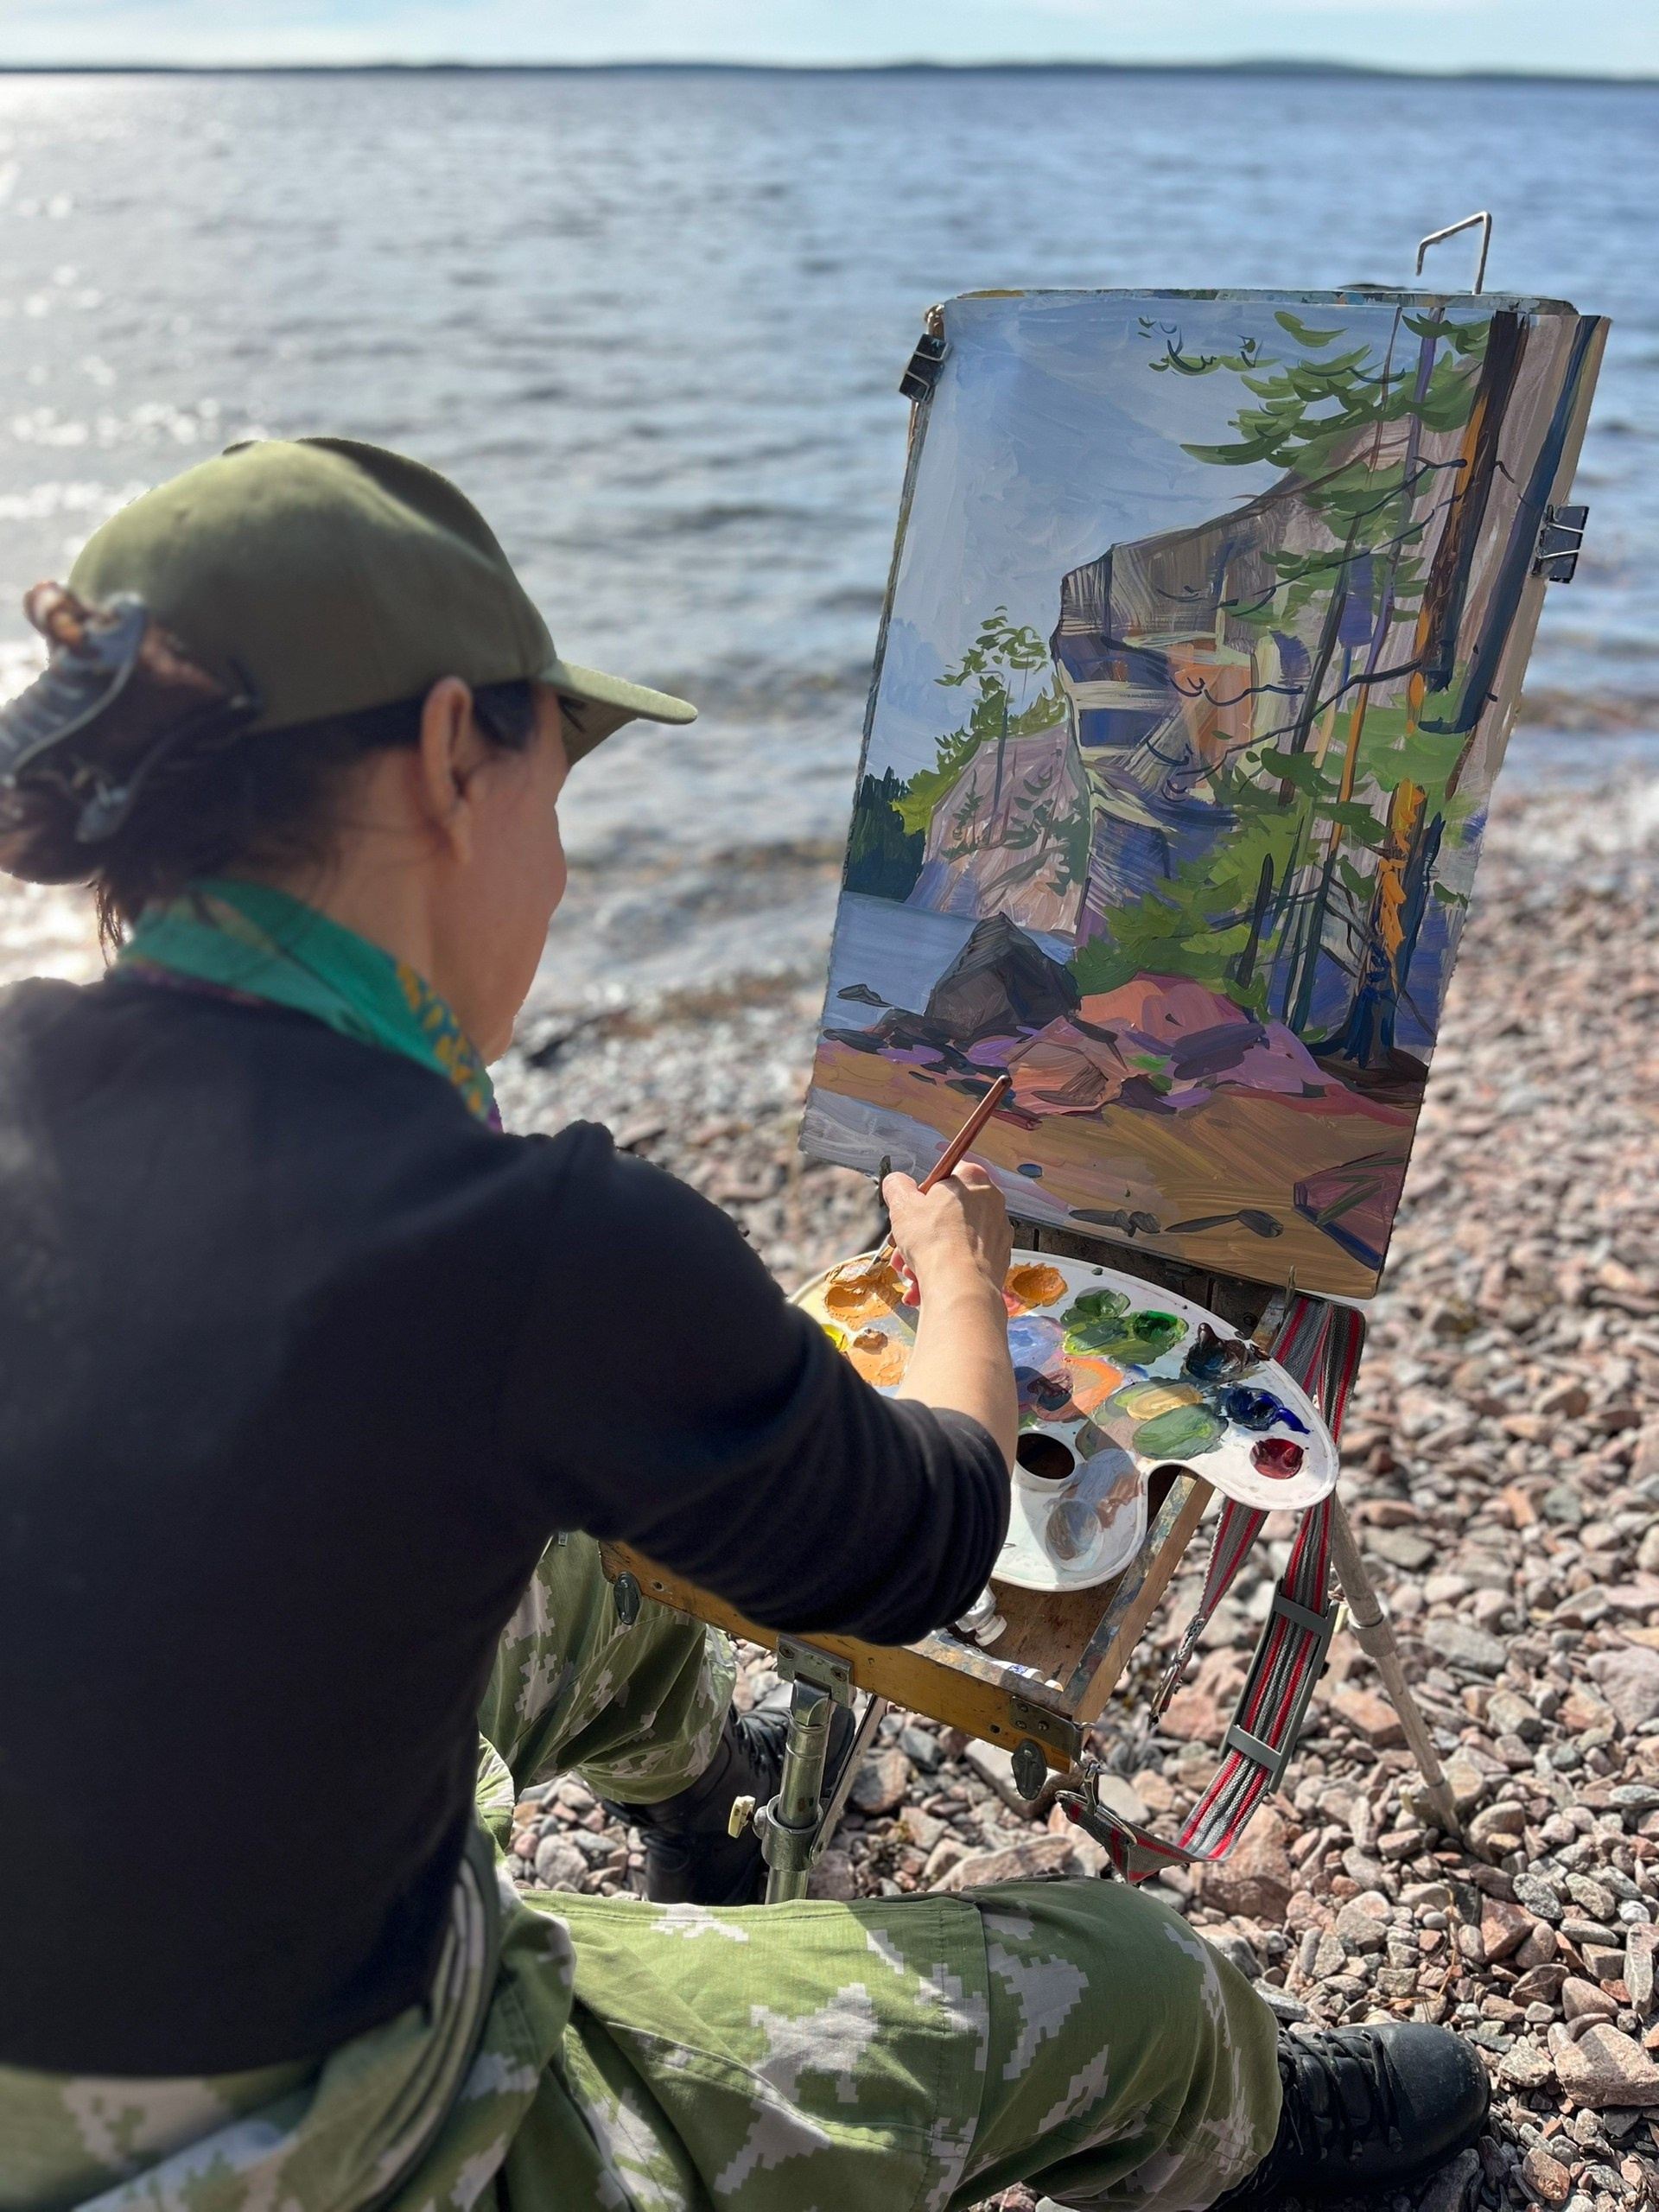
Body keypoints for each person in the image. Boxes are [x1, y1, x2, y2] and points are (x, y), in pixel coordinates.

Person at [0, 439, 1489, 2212]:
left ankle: (706, 1815)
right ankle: (1235, 2130)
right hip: (322, 2145)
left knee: (585, 1571)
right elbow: (927, 1529)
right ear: (454, 752)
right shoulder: (525, 1242)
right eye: (557, 781)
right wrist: (962, 1281)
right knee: (1138, 1989)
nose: (562, 865)